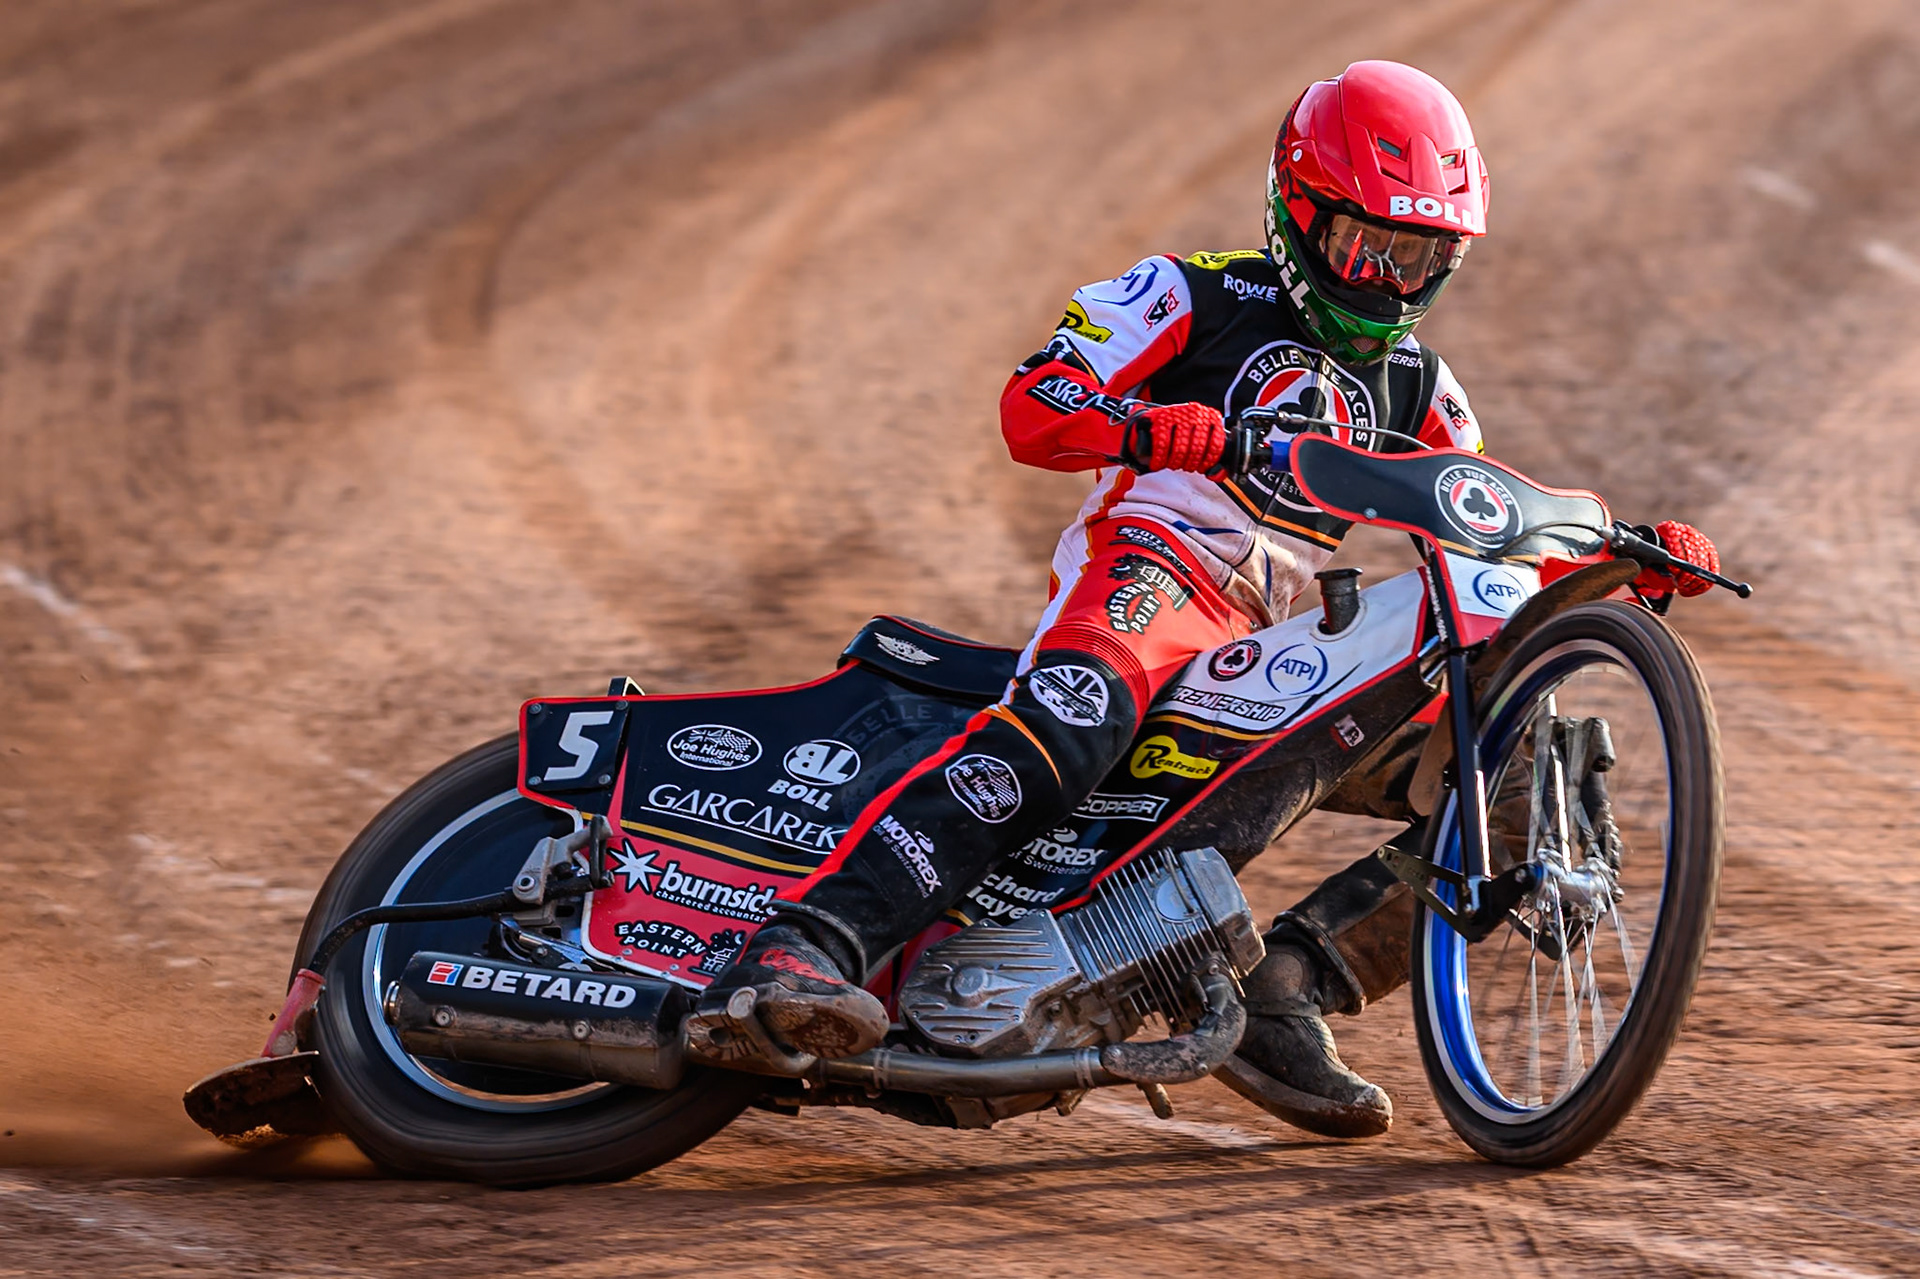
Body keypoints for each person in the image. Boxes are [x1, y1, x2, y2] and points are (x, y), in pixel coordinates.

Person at [703, 60, 1720, 1135]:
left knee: (1523, 757)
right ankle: (804, 946)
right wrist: (1139, 427)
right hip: (1152, 580)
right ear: (1297, 210)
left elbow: (1485, 528)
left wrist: (1621, 553)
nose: (1390, 279)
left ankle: (1287, 987)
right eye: (1368, 243)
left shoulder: (1424, 387)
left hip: (1279, 642)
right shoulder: (1189, 292)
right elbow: (1032, 402)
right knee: (1071, 718)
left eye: (1421, 255)